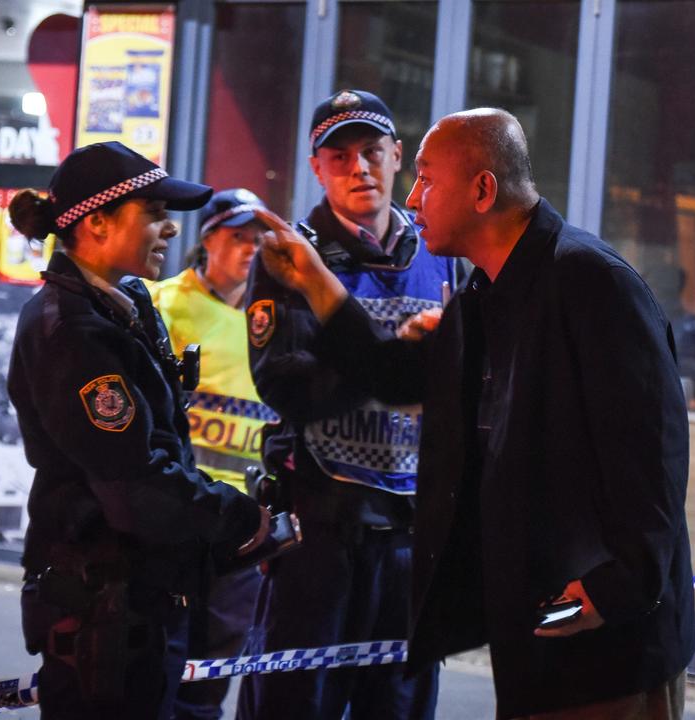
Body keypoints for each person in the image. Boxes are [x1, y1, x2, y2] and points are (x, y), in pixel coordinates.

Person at [249, 108, 695, 719]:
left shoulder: (590, 282)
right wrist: (319, 282)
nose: (412, 195)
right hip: (538, 633)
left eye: (427, 179)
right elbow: (396, 375)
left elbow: (654, 451)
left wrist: (612, 590)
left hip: (602, 641)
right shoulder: (489, 292)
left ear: (483, 190)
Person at [7, 141, 270, 720]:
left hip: (140, 597)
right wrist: (243, 519)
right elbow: (135, 485)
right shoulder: (71, 331)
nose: (171, 230)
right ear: (97, 223)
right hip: (103, 606)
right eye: (153, 213)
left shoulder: (123, 301)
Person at [235, 89, 453, 720]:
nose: (358, 168)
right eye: (340, 156)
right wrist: (394, 365)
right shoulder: (289, 259)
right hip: (320, 535)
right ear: (317, 166)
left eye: (371, 152)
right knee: (295, 703)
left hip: (411, 537)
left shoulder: (440, 252)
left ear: (397, 158)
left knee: (401, 705)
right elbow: (284, 387)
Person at [147, 188, 280, 720]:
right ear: (207, 241)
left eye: (258, 239)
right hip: (177, 517)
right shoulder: (163, 304)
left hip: (240, 529)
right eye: (238, 237)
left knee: (214, 674)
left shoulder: (269, 316)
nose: (251, 248)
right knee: (160, 666)